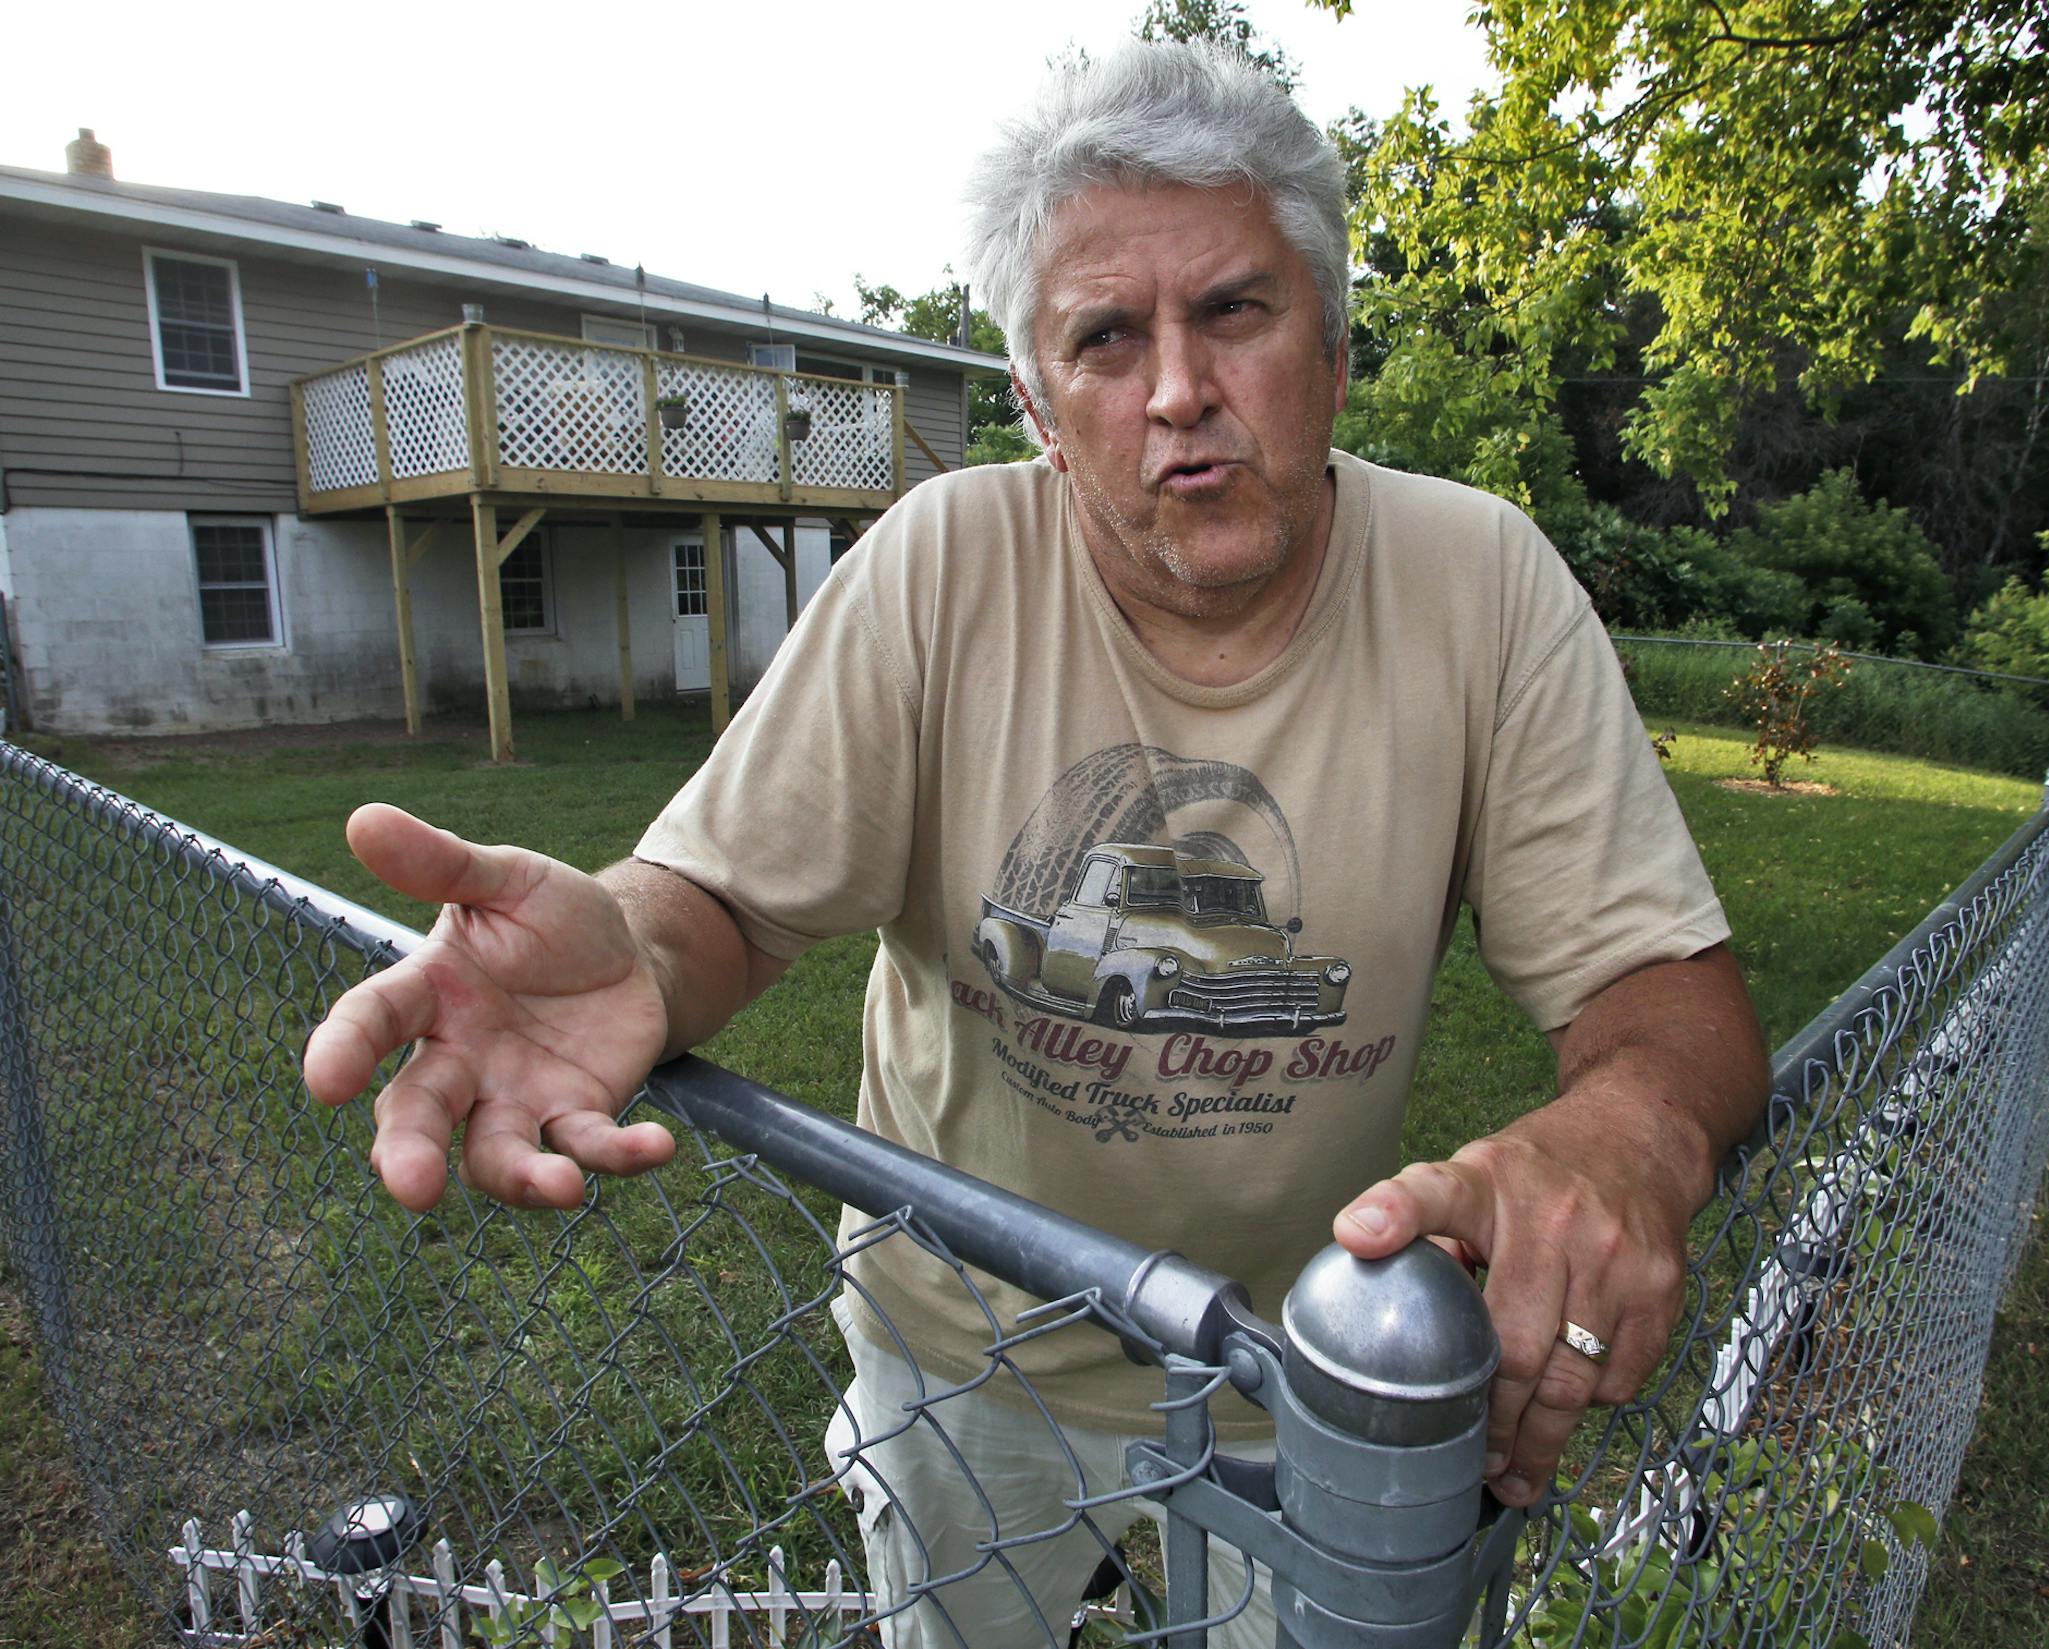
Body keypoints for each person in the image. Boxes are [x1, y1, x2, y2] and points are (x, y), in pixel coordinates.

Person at [303, 40, 1768, 1648]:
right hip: (960, 1347)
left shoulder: (1482, 585)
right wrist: (637, 954)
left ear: (1336, 349)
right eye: (1103, 339)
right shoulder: (942, 567)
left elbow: (1661, 987)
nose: (1178, 391)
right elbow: (720, 898)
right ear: (1040, 410)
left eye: (1234, 311)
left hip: (1296, 1360)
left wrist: (1628, 1134)